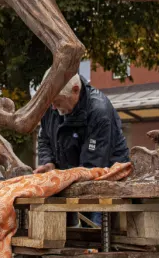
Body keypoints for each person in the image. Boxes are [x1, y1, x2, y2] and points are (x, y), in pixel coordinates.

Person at [35, 71, 130, 226]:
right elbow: (44, 137)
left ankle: (98, 246)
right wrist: (48, 162)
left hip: (103, 177)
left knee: (94, 228)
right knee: (67, 229)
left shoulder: (99, 111)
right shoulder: (52, 105)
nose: (53, 107)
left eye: (58, 102)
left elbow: (92, 165)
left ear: (75, 90)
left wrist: (63, 179)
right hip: (70, 174)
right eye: (51, 101)